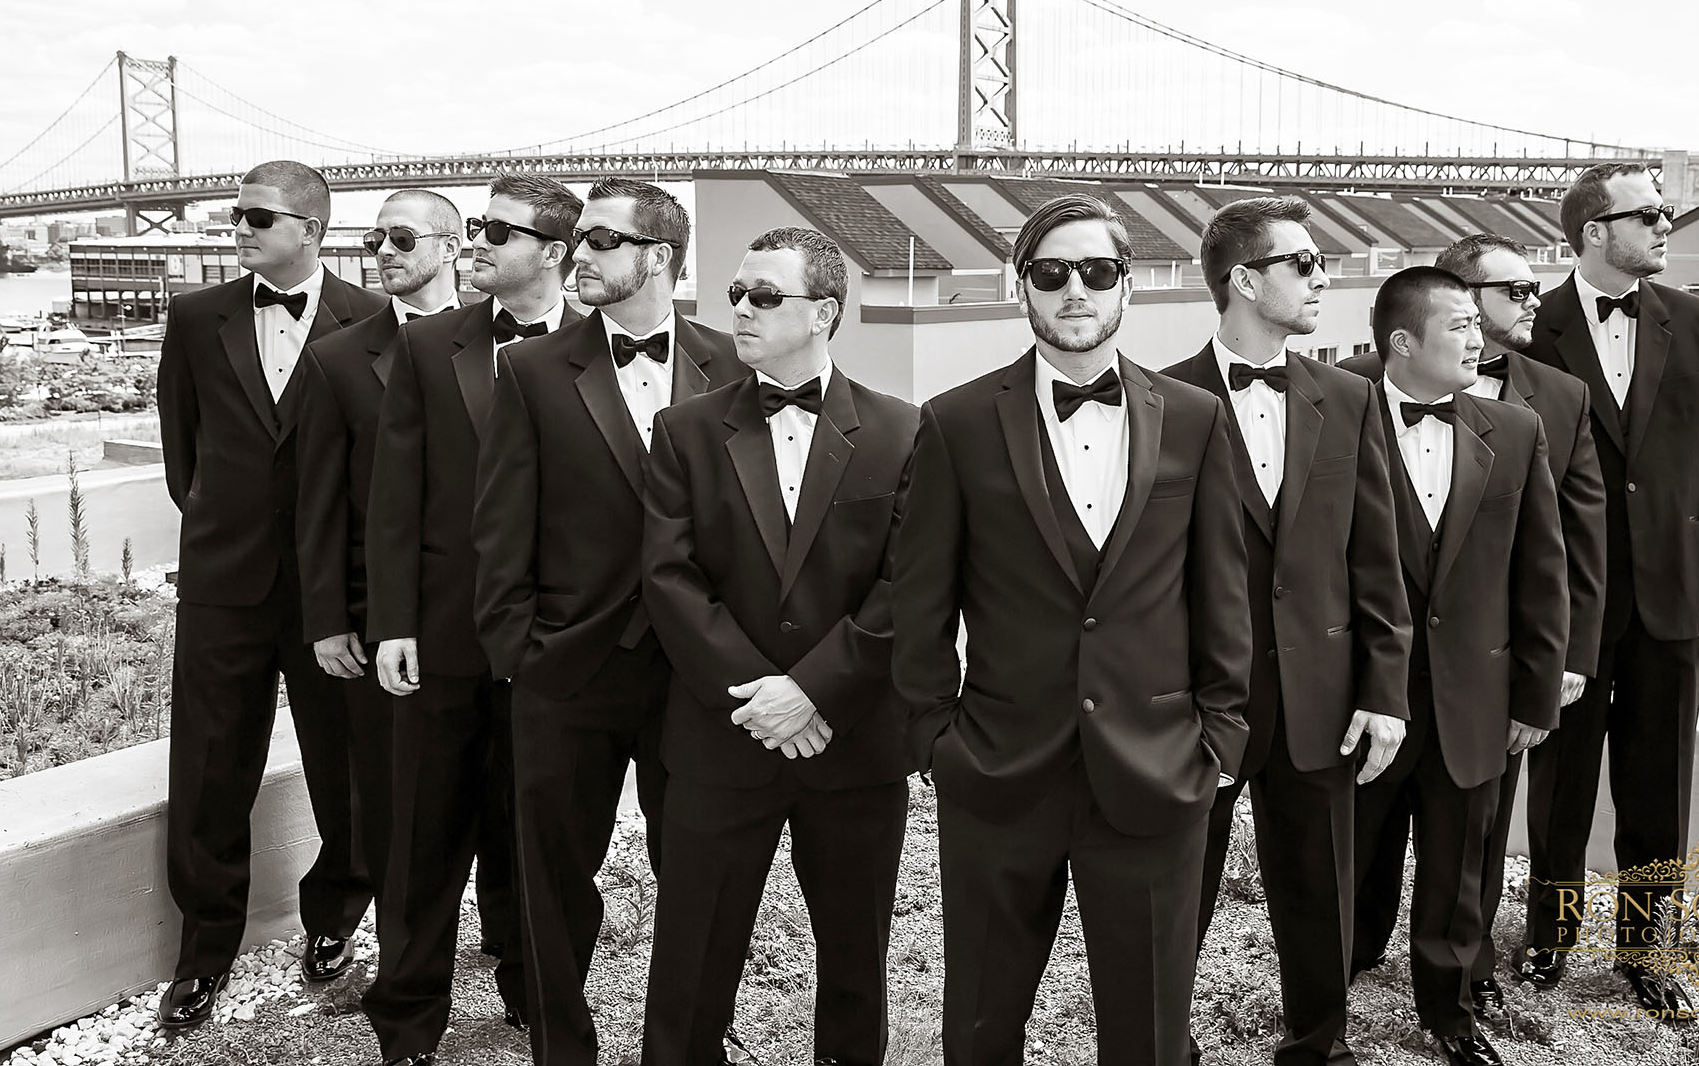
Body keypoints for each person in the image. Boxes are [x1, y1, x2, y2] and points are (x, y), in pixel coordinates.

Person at [892, 194, 1252, 1066]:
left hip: (1157, 766)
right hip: (999, 766)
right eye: (1052, 274)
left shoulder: (1196, 418)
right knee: (981, 1021)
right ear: (1025, 287)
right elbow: (920, 602)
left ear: (1127, 286)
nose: (1075, 290)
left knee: (1151, 1031)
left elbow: (1222, 590)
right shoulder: (957, 420)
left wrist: (1221, 737)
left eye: (1096, 272)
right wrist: (935, 739)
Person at [474, 177, 744, 1066]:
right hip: (567, 669)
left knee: (700, 874)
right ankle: (560, 1045)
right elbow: (501, 523)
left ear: (658, 259)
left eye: (599, 241)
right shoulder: (531, 369)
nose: (577, 254)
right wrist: (519, 651)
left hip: (696, 674)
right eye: (578, 240)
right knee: (549, 879)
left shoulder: (730, 364)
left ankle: (692, 1041)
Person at [640, 226, 918, 1066]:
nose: (740, 311)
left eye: (765, 296)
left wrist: (816, 691)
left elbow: (909, 586)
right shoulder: (683, 429)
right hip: (723, 736)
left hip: (854, 740)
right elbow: (670, 580)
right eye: (735, 294)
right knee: (690, 955)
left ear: (824, 312)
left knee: (856, 962)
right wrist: (767, 695)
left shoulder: (904, 430)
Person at [1159, 196, 1411, 1066]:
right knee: (1176, 893)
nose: (1321, 278)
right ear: (1244, 280)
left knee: (1318, 891)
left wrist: (1384, 691)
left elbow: (1379, 561)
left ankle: (1319, 1046)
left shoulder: (1350, 398)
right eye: (1303, 264)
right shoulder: (1159, 400)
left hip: (1322, 698)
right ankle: (1164, 1044)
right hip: (1199, 702)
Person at [1339, 233, 1606, 1019]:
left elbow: (1544, 572)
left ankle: (1451, 1012)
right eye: (1460, 324)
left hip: (1478, 697)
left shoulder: (1517, 430)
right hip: (1362, 697)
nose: (1479, 338)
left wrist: (1534, 697)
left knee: (1462, 874)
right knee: (1350, 858)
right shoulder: (1332, 415)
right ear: (1401, 341)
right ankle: (1331, 991)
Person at [154, 159, 385, 1029]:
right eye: (234, 214)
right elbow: (184, 453)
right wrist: (225, 528)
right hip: (225, 585)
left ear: (312, 230)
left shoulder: (372, 319)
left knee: (349, 772)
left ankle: (335, 918)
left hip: (337, 597)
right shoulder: (195, 316)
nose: (238, 228)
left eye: (257, 216)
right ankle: (204, 953)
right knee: (210, 772)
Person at [363, 175, 585, 1066]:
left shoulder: (607, 346)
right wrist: (393, 624)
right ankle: (408, 1020)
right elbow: (393, 499)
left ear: (555, 252)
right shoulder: (429, 347)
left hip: (556, 643)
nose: (478, 240)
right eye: (478, 225)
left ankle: (536, 991)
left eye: (500, 229)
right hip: (443, 636)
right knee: (423, 837)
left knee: (540, 836)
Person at [1521, 164, 1699, 1012]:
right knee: (1560, 784)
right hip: (1565, 603)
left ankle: (1648, 956)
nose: (1666, 225)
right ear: (1593, 231)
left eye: (1667, 211)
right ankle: (1548, 939)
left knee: (1659, 785)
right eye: (1650, 213)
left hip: (1672, 597)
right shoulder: (1527, 326)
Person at [296, 188, 466, 942]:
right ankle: (400, 954)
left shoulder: (519, 346)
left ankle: (507, 942)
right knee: (394, 802)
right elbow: (319, 502)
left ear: (453, 246)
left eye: (402, 237)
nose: (384, 252)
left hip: (490, 613)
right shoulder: (337, 357)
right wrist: (329, 620)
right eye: (375, 241)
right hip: (378, 620)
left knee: (504, 794)